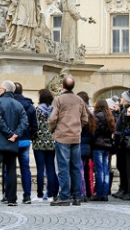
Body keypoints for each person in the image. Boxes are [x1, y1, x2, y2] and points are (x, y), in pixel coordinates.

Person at [0, 80, 28, 207]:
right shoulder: (18, 105)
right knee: (11, 170)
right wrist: (15, 134)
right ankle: (12, 198)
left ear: (3, 90)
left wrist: (9, 133)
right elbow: (24, 122)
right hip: (12, 143)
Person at [48, 75, 89, 206]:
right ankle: (77, 196)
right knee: (76, 168)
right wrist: (78, 128)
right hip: (76, 137)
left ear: (62, 86)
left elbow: (52, 118)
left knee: (63, 168)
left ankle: (65, 196)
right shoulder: (79, 100)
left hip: (62, 136)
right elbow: (85, 119)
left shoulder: (58, 100)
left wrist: (52, 130)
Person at [11, 82, 38, 203]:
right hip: (25, 140)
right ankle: (27, 196)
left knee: (10, 168)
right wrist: (28, 134)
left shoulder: (10, 104)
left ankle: (9, 195)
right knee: (25, 168)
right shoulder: (30, 106)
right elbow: (34, 126)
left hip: (11, 140)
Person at [33, 89, 58, 201]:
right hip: (51, 142)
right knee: (51, 168)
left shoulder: (38, 110)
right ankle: (51, 194)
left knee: (40, 169)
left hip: (39, 142)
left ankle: (39, 194)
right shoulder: (54, 110)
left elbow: (35, 125)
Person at [91, 99, 115, 201]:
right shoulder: (110, 117)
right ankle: (105, 193)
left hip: (98, 145)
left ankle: (99, 193)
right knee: (105, 170)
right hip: (107, 146)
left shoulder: (96, 117)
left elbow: (94, 132)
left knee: (99, 170)